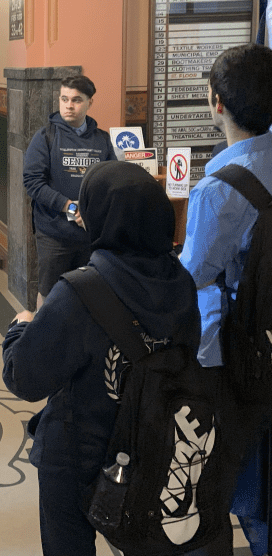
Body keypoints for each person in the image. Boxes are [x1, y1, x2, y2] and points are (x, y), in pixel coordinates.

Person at [2, 161, 207, 556]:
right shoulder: (182, 283)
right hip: (153, 446)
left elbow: (24, 378)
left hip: (76, 456)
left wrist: (20, 328)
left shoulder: (79, 291)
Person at [180, 43, 272, 556]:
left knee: (251, 487)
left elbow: (192, 275)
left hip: (244, 353)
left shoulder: (221, 187)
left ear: (216, 102)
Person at [22, 74, 116, 308]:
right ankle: (45, 330)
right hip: (54, 234)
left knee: (88, 294)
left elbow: (111, 183)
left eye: (76, 100)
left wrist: (91, 211)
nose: (69, 106)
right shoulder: (45, 137)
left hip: (90, 234)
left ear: (89, 102)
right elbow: (33, 182)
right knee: (49, 294)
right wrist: (70, 207)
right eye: (64, 99)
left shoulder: (102, 140)